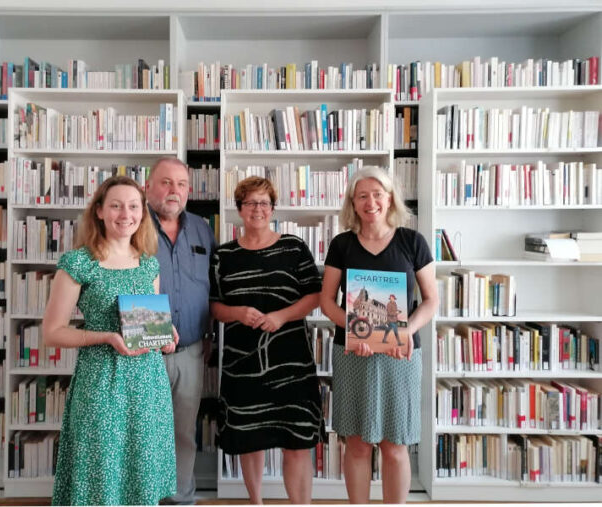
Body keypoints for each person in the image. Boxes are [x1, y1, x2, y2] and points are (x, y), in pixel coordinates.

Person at [43, 175, 178, 505]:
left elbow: (149, 323)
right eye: (116, 206)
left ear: (143, 214)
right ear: (99, 211)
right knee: (99, 476)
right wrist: (106, 336)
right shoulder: (79, 262)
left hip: (148, 386)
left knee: (141, 476)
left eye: (134, 206)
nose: (125, 214)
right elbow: (52, 332)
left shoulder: (149, 264)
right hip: (101, 383)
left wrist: (166, 335)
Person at [319, 166, 437, 504]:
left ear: (390, 198)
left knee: (395, 444)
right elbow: (327, 301)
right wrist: (359, 332)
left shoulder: (412, 242)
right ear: (353, 203)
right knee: (356, 443)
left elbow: (430, 301)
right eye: (362, 196)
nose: (370, 202)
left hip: (399, 356)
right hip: (353, 355)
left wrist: (404, 332)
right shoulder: (342, 244)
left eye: (377, 194)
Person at [209, 176, 324, 505]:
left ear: (273, 209)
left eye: (263, 203)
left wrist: (281, 316)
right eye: (250, 203)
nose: (257, 209)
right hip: (242, 362)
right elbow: (214, 307)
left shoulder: (294, 247)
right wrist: (237, 313)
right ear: (239, 210)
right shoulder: (223, 256)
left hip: (292, 361)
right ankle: (256, 501)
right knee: (249, 437)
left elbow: (314, 296)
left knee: (298, 440)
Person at [145, 157, 216, 505]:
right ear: (147, 186)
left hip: (190, 349)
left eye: (182, 184)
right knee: (142, 432)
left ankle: (181, 499)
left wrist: (211, 336)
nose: (174, 191)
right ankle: (143, 497)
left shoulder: (202, 229)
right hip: (141, 350)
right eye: (166, 182)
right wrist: (153, 332)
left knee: (183, 433)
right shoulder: (131, 223)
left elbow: (211, 286)